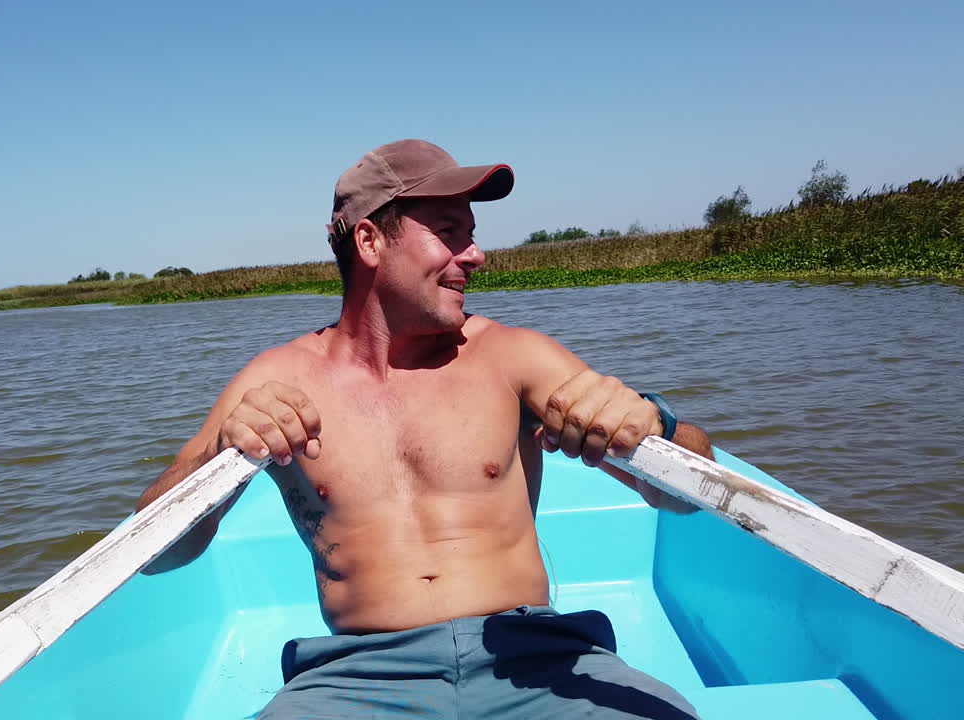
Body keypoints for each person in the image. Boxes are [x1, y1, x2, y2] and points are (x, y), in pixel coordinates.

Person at [134, 139, 711, 719]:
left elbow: (690, 493)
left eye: (472, 234)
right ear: (370, 241)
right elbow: (154, 555)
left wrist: (651, 423)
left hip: (532, 655)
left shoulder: (514, 356)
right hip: (356, 677)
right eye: (449, 232)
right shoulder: (275, 379)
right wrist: (219, 454)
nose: (476, 255)